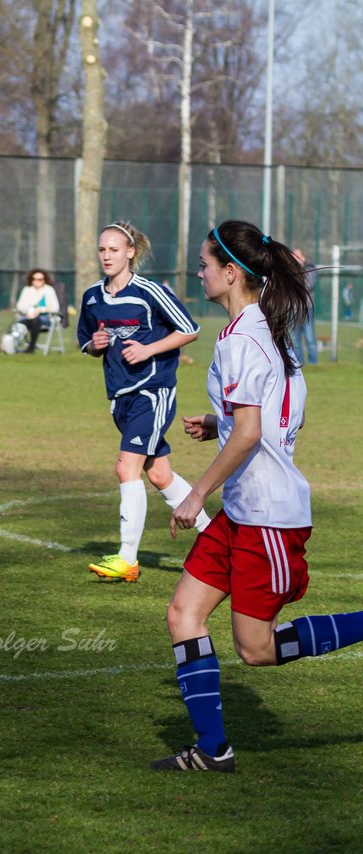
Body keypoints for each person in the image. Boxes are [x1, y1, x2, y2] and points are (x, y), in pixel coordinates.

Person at [153, 220, 363, 773]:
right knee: (182, 614)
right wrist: (216, 419)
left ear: (231, 272)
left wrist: (195, 493)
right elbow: (266, 417)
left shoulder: (243, 339)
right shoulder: (265, 327)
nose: (198, 272)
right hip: (244, 511)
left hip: (267, 516)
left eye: (204, 264)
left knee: (256, 650)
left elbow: (251, 433)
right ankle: (213, 749)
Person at [76, 220, 208, 582]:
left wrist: (149, 348)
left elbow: (190, 329)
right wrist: (94, 346)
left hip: (153, 390)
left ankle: (127, 559)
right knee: (159, 474)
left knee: (126, 467)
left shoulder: (149, 291)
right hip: (120, 396)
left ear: (130, 252)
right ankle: (216, 541)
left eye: (114, 249)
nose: (106, 256)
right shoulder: (92, 297)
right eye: (102, 249)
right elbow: (86, 339)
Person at [14, 269, 60, 354]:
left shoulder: (49, 290)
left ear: (44, 280)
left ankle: (31, 347)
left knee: (35, 321)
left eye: (40, 279)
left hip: (45, 318)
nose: (37, 281)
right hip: (27, 317)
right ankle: (11, 347)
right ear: (31, 280)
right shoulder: (27, 289)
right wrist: (29, 311)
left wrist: (39, 310)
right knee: (20, 324)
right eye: (34, 279)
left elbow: (55, 308)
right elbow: (20, 306)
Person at [290, 248, 318, 366]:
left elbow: (307, 285)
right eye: (293, 255)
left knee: (309, 336)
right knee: (294, 338)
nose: (295, 257)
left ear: (303, 257)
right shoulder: (288, 270)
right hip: (292, 309)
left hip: (306, 308)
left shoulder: (310, 269)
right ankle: (299, 363)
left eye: (297, 255)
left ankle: (313, 363)